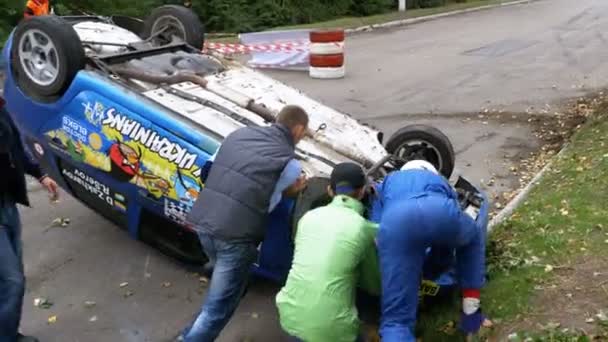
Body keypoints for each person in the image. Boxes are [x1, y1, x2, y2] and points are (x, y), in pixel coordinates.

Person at [181, 105, 310, 341]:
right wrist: (293, 191)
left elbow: (206, 171)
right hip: (236, 237)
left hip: (204, 223)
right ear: (299, 129)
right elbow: (273, 199)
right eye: (304, 133)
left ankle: (192, 329)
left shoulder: (237, 134)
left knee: (220, 293)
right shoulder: (290, 165)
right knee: (217, 310)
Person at [376, 160, 489, 341]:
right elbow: (445, 246)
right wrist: (431, 272)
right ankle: (471, 315)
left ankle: (397, 332)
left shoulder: (388, 181)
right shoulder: (440, 181)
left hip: (397, 221)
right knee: (473, 237)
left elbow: (378, 219)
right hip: (439, 210)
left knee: (396, 321)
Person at [276, 162, 377, 342]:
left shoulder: (308, 218)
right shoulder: (364, 228)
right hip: (333, 329)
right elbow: (373, 284)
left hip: (290, 314)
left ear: (330, 190)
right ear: (362, 192)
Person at [0, 98, 59, 342]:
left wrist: (40, 174)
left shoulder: (1, 109)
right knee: (12, 281)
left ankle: (9, 332)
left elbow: (16, 147)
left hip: (6, 204)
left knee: (11, 278)